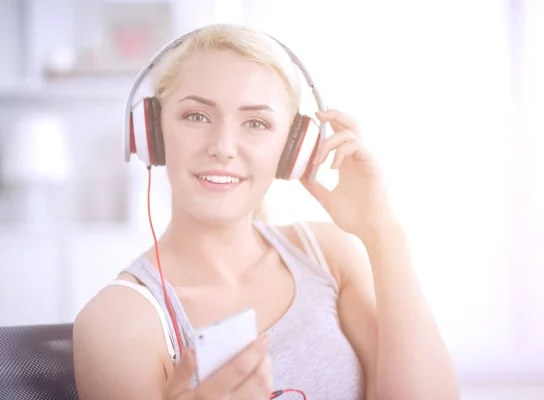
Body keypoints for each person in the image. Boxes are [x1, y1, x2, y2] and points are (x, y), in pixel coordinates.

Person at [73, 24, 460, 400]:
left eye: (256, 123)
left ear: (293, 150)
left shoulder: (327, 255)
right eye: (196, 116)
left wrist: (383, 235)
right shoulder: (118, 323)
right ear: (153, 133)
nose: (223, 146)